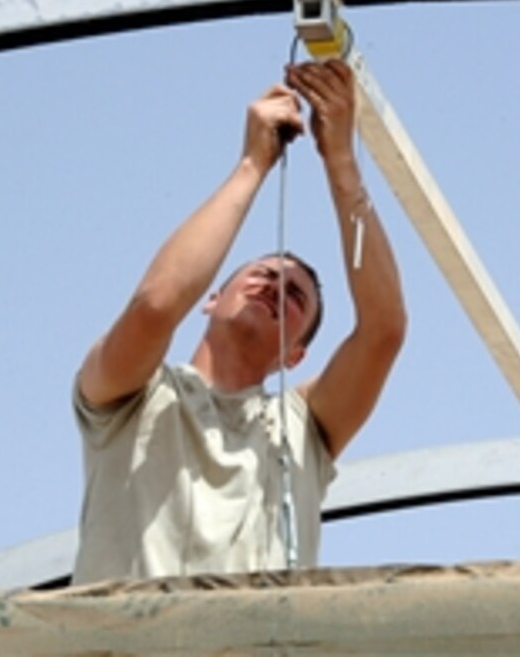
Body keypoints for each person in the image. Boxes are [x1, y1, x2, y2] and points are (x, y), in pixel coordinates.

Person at [70, 60, 406, 584]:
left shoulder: (304, 430)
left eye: (295, 297)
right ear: (208, 299)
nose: (276, 286)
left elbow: (384, 330)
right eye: (262, 274)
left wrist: (340, 158)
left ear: (295, 356)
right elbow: (155, 305)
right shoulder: (130, 397)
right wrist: (253, 164)